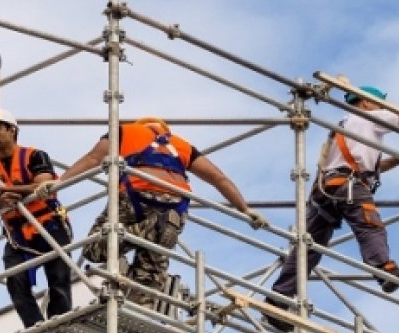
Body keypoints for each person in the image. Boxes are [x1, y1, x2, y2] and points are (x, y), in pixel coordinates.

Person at [263, 85, 399, 332]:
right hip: (348, 186)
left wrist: (396, 160)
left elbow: (360, 164)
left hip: (327, 189)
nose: (382, 110)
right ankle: (385, 271)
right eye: (379, 105)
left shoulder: (345, 125)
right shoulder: (369, 117)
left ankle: (277, 300)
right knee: (370, 225)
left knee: (307, 249)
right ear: (366, 103)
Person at [41, 117, 265, 308]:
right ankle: (139, 314)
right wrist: (245, 209)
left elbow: (93, 158)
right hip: (175, 206)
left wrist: (58, 183)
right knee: (150, 275)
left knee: (94, 249)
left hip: (134, 195)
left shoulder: (125, 130)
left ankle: (134, 236)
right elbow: (218, 178)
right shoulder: (182, 145)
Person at [0, 108, 73, 328]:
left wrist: (10, 190)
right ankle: (36, 327)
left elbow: (44, 185)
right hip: (17, 233)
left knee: (58, 278)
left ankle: (61, 325)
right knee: (16, 282)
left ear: (12, 130)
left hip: (47, 224)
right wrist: (0, 197)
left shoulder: (35, 156)